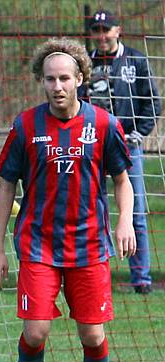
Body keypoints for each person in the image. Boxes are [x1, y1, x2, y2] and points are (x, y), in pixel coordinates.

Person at [0, 38, 136, 362]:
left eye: (65, 78)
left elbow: (122, 180)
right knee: (36, 332)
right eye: (50, 79)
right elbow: (5, 187)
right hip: (38, 246)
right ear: (41, 81)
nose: (57, 86)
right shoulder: (25, 125)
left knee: (92, 334)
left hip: (89, 247)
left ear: (79, 79)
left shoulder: (104, 124)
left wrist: (125, 222)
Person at [84, 9, 160, 295]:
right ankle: (98, 270)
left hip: (127, 147)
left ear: (118, 31)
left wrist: (138, 134)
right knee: (93, 209)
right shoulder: (86, 63)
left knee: (135, 212)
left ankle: (141, 278)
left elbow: (152, 102)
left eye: (107, 29)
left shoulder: (136, 59)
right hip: (92, 147)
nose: (102, 35)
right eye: (96, 30)